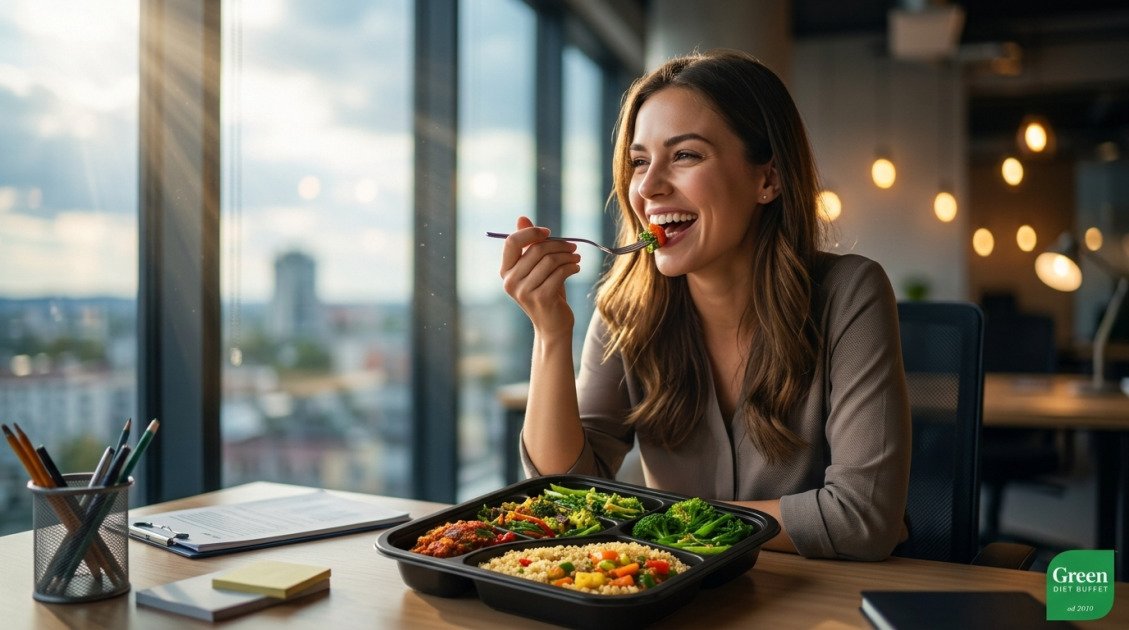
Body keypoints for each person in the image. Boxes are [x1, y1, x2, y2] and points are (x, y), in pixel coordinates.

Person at [497, 49, 910, 561]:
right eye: (640, 161)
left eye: (686, 155)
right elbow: (563, 496)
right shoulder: (626, 309)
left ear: (768, 180)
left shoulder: (851, 292)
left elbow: (860, 520)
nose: (647, 187)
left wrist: (651, 522)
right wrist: (550, 333)